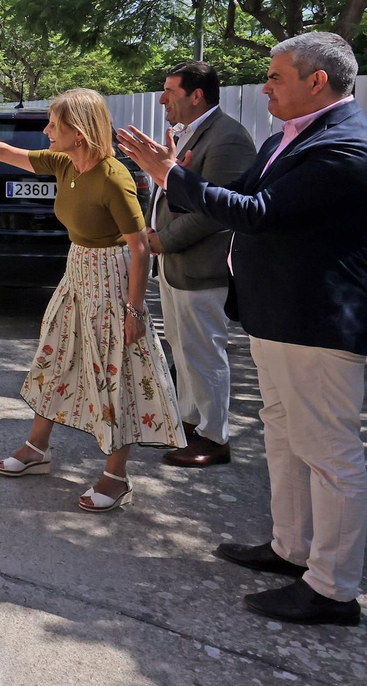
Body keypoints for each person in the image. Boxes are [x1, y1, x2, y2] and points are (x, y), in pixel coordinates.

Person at [118, 33, 367, 627]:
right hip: (276, 316)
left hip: (317, 319)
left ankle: (332, 589)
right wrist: (172, 173)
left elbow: (257, 215)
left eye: (275, 76)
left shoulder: (346, 146)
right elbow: (232, 197)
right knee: (284, 438)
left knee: (328, 453)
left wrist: (169, 173)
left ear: (317, 81)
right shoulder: (284, 139)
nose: (264, 86)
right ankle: (290, 549)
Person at [0, 89, 182, 512]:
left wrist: (133, 311)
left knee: (115, 377)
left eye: (53, 125)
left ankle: (116, 477)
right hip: (77, 275)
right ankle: (36, 449)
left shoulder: (113, 177)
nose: (46, 131)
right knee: (54, 359)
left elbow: (140, 250)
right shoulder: (65, 164)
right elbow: (8, 153)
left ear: (79, 132)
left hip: (111, 284)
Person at [148, 62, 257, 468]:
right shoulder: (188, 133)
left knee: (204, 353)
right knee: (183, 348)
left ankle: (215, 437)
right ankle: (191, 422)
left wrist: (162, 240)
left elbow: (215, 211)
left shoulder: (228, 138)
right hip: (176, 264)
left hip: (202, 267)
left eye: (170, 91)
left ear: (196, 95)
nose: (162, 99)